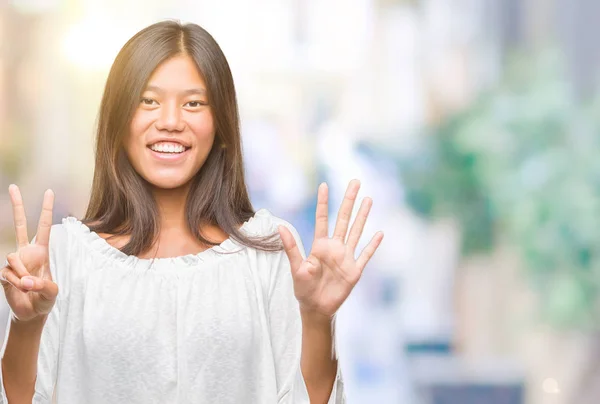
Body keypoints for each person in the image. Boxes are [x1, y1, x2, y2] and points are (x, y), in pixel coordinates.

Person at [0, 20, 383, 404]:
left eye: (194, 103)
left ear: (220, 125)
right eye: (148, 100)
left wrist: (318, 320)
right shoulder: (66, 255)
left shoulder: (269, 251)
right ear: (118, 120)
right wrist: (26, 324)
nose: (170, 122)